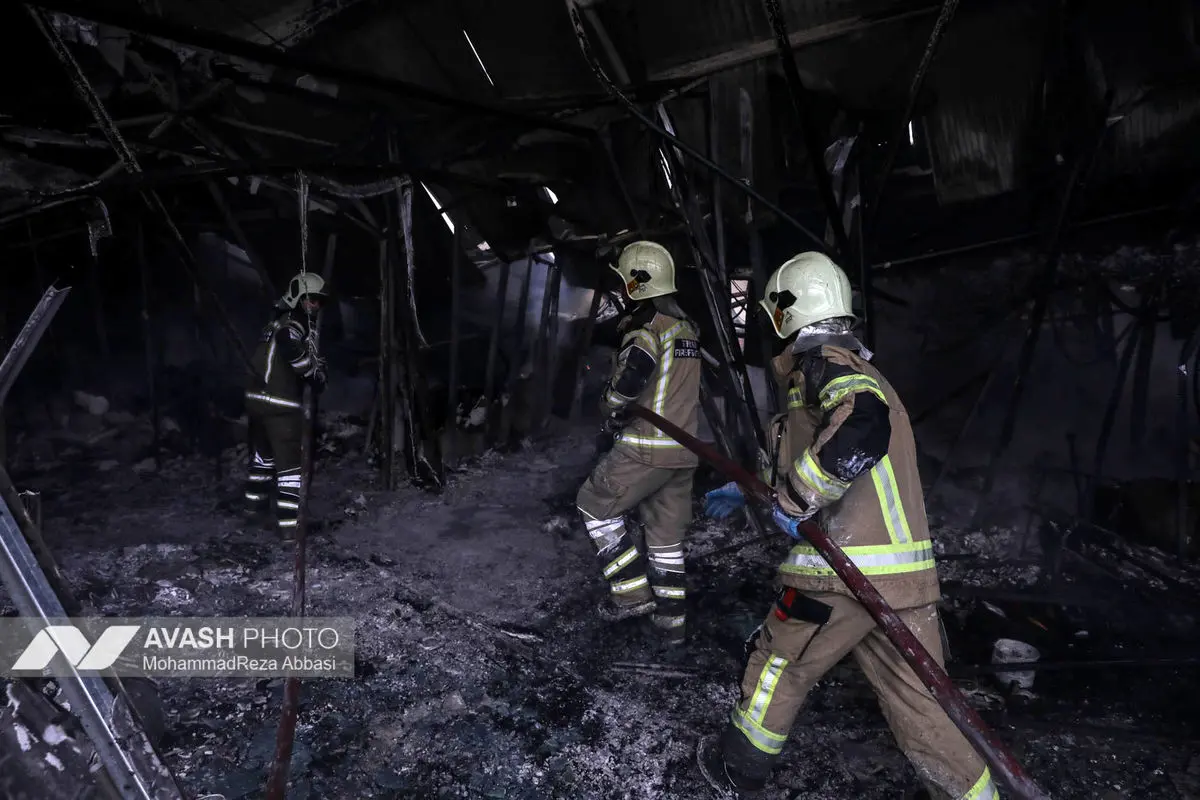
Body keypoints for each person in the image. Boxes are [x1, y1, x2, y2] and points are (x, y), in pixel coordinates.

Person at [695, 252, 996, 799]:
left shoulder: (825, 365)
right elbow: (821, 446)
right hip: (899, 580)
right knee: (925, 707)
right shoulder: (853, 369)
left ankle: (737, 770)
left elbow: (861, 426)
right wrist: (753, 488)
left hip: (839, 571)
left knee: (777, 664)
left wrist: (795, 498)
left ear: (788, 312)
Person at [575, 241, 702, 645]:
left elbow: (628, 384)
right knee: (665, 539)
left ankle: (630, 595)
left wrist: (607, 405)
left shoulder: (648, 331)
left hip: (647, 446)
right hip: (684, 452)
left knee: (593, 505)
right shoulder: (687, 330)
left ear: (636, 284)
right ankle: (671, 625)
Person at [243, 272, 328, 542]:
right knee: (291, 470)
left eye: (319, 301)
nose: (316, 306)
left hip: (257, 402)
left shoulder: (273, 323)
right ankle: (290, 529)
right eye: (312, 300)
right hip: (279, 405)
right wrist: (312, 374)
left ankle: (253, 514)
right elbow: (289, 347)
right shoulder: (293, 324)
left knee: (262, 461)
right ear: (298, 299)